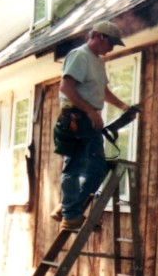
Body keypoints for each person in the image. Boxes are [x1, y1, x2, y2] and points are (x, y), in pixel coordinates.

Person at [52, 20, 135, 230]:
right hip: (76, 118)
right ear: (99, 36)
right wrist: (89, 111)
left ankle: (67, 207)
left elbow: (103, 92)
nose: (111, 48)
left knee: (98, 169)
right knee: (74, 166)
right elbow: (66, 88)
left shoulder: (98, 62)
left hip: (90, 121)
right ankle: (71, 214)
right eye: (111, 43)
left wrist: (123, 106)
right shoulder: (79, 56)